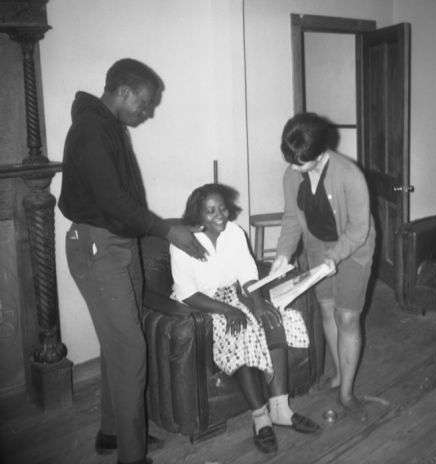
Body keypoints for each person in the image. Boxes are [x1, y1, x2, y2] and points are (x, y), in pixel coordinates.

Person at [59, 58, 205, 464]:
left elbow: (122, 203)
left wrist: (156, 230)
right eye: (145, 103)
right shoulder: (90, 130)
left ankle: (112, 433)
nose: (148, 111)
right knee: (129, 351)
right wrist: (167, 230)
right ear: (123, 93)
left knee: (118, 346)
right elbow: (111, 200)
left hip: (117, 243)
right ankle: (132, 457)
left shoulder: (107, 126)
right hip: (97, 248)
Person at [170, 183, 320, 454]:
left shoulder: (235, 233)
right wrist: (229, 310)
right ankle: (261, 419)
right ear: (197, 213)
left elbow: (248, 273)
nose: (219, 215)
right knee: (242, 332)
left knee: (275, 319)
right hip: (203, 309)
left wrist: (259, 304)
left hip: (237, 297)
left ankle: (281, 410)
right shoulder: (183, 242)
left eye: (223, 208)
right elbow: (188, 294)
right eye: (210, 210)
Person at [271, 112, 376, 421]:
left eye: (300, 162)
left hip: (353, 250)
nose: (292, 167)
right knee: (327, 310)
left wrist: (336, 258)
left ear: (320, 154)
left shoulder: (349, 175)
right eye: (289, 159)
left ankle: (347, 391)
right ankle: (338, 374)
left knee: (347, 316)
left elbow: (358, 230)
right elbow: (292, 217)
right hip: (317, 247)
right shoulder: (292, 174)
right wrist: (283, 254)